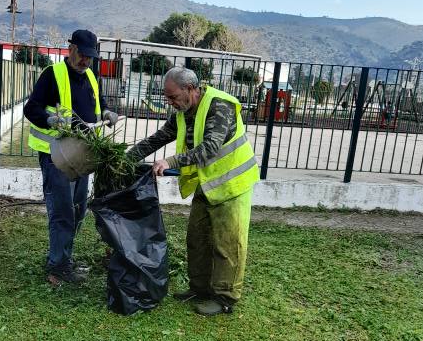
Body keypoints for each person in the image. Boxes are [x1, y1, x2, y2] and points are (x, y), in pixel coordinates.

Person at [127, 66, 258, 316]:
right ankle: (200, 288)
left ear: (190, 89)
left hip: (233, 185)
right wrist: (126, 158)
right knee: (197, 240)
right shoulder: (183, 112)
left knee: (227, 245)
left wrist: (171, 162)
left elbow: (209, 147)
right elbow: (159, 138)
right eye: (166, 97)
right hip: (208, 185)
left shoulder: (220, 106)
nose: (170, 102)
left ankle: (224, 298)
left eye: (173, 96)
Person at [24, 30, 119, 285]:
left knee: (78, 208)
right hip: (56, 155)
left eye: (90, 57)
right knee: (63, 211)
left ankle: (63, 257)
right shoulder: (52, 75)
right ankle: (57, 268)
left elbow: (97, 106)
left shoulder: (90, 76)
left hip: (81, 156)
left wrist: (108, 113)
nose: (86, 62)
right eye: (83, 55)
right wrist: (50, 119)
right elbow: (30, 108)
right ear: (71, 49)